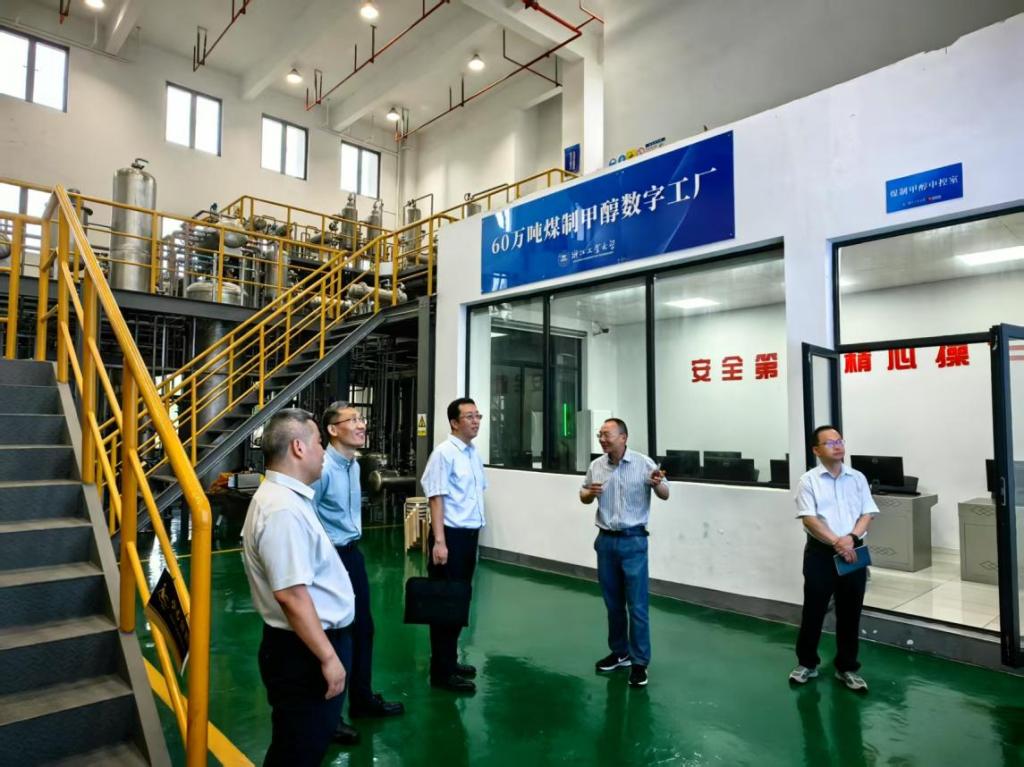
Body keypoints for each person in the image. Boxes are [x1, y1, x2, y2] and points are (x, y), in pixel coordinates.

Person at [241, 409, 356, 766]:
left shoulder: (287, 499)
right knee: (298, 752)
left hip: (303, 645)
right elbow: (291, 595)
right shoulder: (282, 510)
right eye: (320, 443)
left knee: (299, 745)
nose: (323, 452)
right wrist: (329, 658)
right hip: (304, 652)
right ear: (298, 448)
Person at [313, 401, 404, 741]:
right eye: (353, 419)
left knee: (364, 629)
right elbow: (306, 518)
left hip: (353, 555)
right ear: (333, 429)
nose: (362, 424)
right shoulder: (322, 468)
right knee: (336, 636)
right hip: (329, 558)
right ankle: (329, 716)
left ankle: (362, 699)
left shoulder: (353, 465)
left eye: (362, 418)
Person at [580, 418, 669, 688]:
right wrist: (589, 492)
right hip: (606, 541)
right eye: (600, 435)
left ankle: (640, 663)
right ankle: (620, 653)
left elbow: (665, 493)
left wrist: (657, 483)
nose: (602, 439)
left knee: (637, 606)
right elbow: (583, 495)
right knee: (613, 604)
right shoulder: (596, 466)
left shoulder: (644, 464)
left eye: (607, 434)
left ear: (623, 437)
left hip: (633, 542)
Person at [789, 425, 878, 692]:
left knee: (850, 612)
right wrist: (837, 542)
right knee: (814, 610)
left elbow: (867, 513)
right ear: (816, 450)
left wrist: (851, 537)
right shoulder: (809, 481)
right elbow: (809, 519)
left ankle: (847, 668)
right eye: (830, 443)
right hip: (821, 553)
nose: (838, 446)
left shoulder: (857, 478)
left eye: (840, 440)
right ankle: (807, 663)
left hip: (853, 551)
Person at [420, 397, 487, 692]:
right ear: (454, 422)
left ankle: (450, 660)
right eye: (469, 416)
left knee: (459, 601)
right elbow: (436, 498)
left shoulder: (472, 453)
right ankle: (442, 672)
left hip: (469, 537)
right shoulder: (443, 454)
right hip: (450, 537)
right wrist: (440, 542)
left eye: (478, 416)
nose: (476, 421)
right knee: (444, 605)